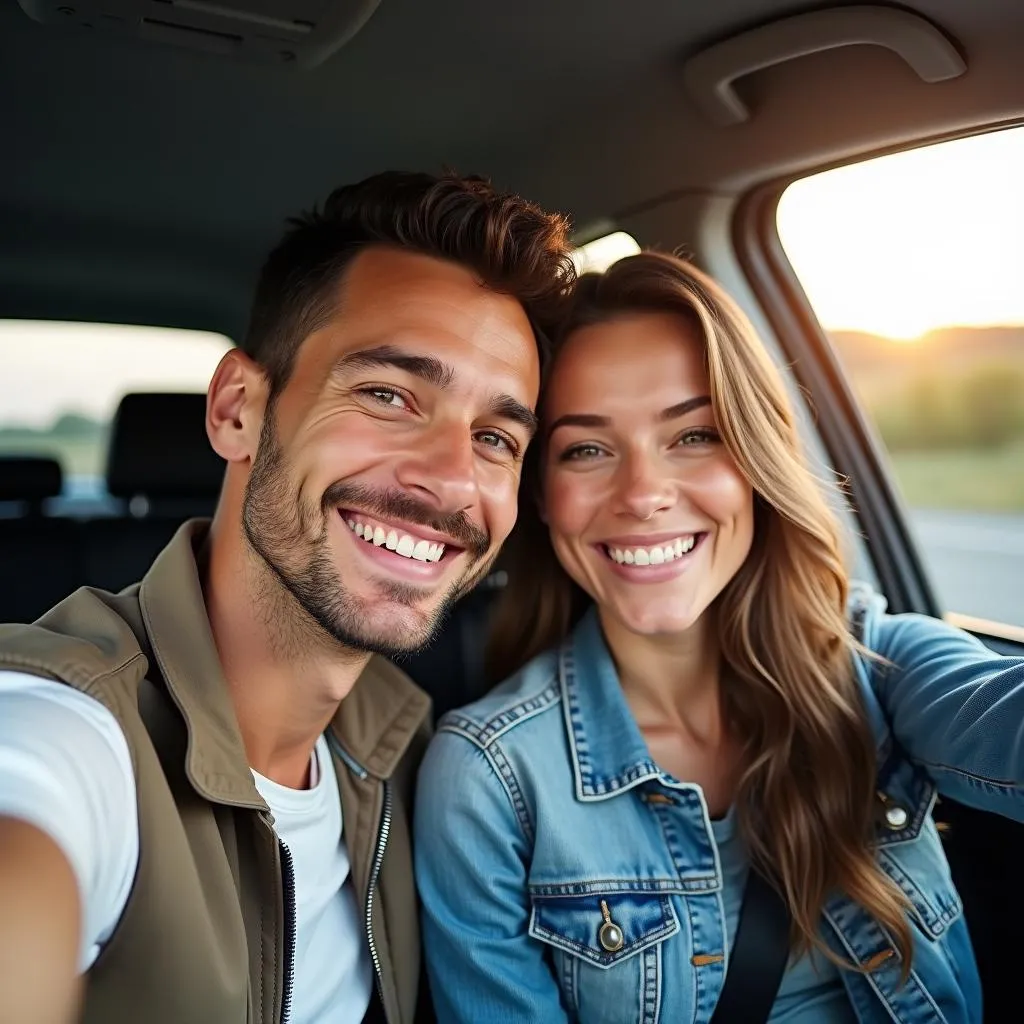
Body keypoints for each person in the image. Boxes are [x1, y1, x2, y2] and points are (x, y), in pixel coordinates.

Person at [0, 171, 574, 1024]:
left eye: (495, 437)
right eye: (388, 395)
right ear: (238, 408)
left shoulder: (424, 758)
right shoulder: (69, 736)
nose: (454, 477)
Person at [414, 251, 1024, 1023]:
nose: (642, 495)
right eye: (588, 449)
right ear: (541, 494)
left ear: (756, 461)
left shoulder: (877, 659)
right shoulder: (489, 782)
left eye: (694, 436)